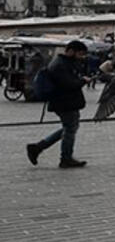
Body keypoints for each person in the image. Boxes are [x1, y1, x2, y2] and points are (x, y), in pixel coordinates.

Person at [26, 40, 91, 168]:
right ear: (71, 51)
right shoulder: (59, 65)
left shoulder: (67, 63)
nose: (82, 57)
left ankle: (38, 147)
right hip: (63, 102)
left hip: (68, 101)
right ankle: (65, 158)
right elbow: (68, 84)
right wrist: (83, 81)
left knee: (70, 127)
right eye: (80, 54)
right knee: (70, 129)